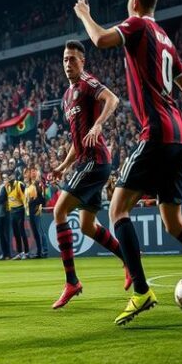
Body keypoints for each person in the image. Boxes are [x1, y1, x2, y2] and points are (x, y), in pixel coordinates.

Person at [74, 0, 182, 325]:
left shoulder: (137, 26)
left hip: (158, 132)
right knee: (173, 221)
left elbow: (101, 39)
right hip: (178, 133)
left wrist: (85, 15)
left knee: (118, 209)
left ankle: (142, 291)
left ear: (134, 2)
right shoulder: (164, 37)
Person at [50, 40, 131, 309]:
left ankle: (71, 281)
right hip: (86, 161)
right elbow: (77, 142)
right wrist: (62, 167)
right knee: (87, 225)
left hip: (96, 162)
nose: (68, 64)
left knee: (59, 211)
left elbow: (113, 99)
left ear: (83, 62)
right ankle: (129, 260)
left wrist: (98, 124)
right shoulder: (65, 97)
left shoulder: (87, 82)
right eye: (65, 59)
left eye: (73, 59)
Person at [5, 172, 28, 259]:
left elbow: (24, 198)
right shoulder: (7, 186)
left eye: (11, 176)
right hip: (12, 211)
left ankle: (26, 252)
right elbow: (9, 199)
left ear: (14, 177)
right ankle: (20, 252)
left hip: (20, 209)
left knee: (22, 231)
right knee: (16, 233)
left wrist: (26, 210)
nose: (9, 178)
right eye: (8, 177)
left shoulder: (20, 185)